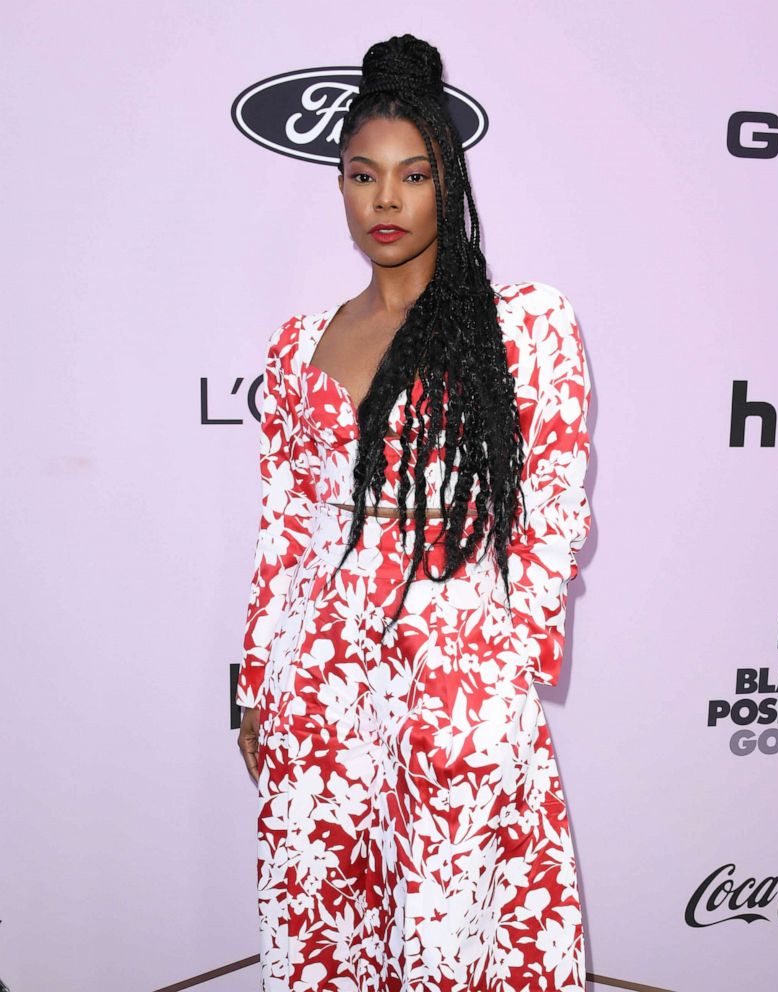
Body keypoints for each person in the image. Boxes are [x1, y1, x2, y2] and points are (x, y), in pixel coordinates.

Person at [236, 32, 592, 992]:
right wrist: (257, 687)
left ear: (449, 183)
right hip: (320, 696)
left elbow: (553, 508)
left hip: (452, 689)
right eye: (362, 174)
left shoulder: (522, 323)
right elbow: (283, 532)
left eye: (413, 174)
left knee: (454, 943)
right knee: (329, 933)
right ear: (340, 185)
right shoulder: (296, 343)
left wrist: (501, 673)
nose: (384, 199)